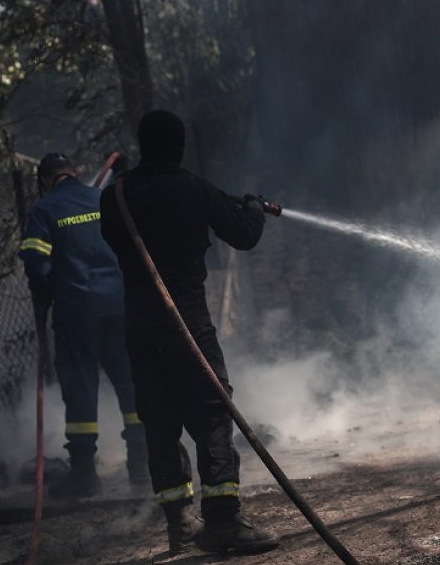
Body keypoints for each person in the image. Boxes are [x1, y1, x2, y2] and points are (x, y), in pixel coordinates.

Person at [99, 110, 279, 554]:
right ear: (179, 146)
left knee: (159, 424)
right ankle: (221, 521)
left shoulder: (115, 195)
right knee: (213, 416)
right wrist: (254, 209)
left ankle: (180, 523)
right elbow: (243, 236)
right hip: (187, 327)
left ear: (143, 145)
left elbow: (118, 241)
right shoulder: (193, 189)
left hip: (140, 330)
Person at [18, 152, 149, 497]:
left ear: (44, 181)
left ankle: (85, 475)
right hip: (120, 304)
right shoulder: (100, 198)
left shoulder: (45, 210)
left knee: (80, 387)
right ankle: (141, 465)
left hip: (77, 310)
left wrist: (46, 292)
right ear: (75, 172)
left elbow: (34, 260)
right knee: (130, 383)